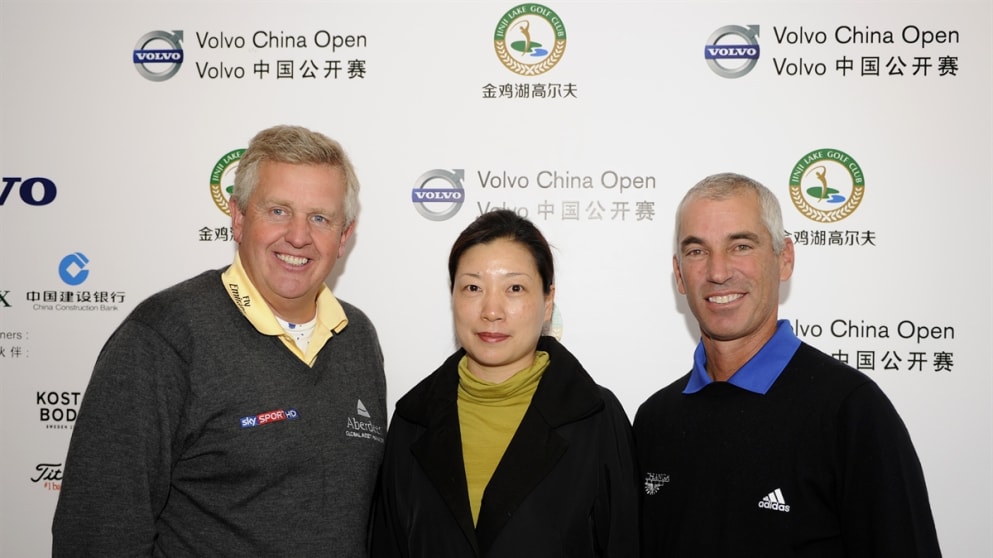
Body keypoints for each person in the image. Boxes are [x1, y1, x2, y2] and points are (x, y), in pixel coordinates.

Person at [52, 125, 387, 557]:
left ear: (344, 236)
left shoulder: (356, 337)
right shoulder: (164, 336)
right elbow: (97, 532)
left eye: (319, 218)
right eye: (279, 211)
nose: (299, 236)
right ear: (239, 217)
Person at [633, 172, 941, 556]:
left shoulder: (851, 411)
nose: (717, 272)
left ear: (785, 259)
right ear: (679, 274)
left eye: (741, 246)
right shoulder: (654, 420)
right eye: (697, 251)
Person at [370, 209, 639, 557]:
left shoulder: (596, 419)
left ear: (547, 301)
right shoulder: (411, 421)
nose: (492, 310)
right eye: (473, 287)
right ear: (452, 296)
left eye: (514, 288)